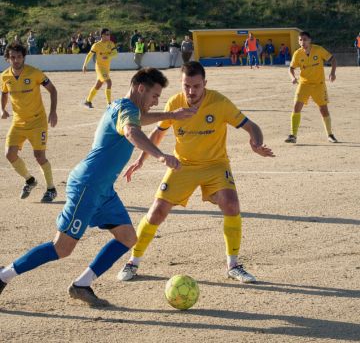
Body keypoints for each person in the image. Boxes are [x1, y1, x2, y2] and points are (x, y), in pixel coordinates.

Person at [0, 68, 197, 305]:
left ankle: (81, 284)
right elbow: (132, 130)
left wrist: (172, 115)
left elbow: (138, 120)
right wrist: (159, 155)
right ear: (141, 88)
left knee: (127, 237)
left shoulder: (123, 106)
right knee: (62, 248)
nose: (156, 102)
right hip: (88, 185)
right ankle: (4, 275)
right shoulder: (127, 111)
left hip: (103, 189)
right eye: (155, 96)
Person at [118, 61, 274, 284]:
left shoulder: (219, 102)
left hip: (216, 165)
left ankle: (233, 265)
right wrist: (141, 159)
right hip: (183, 166)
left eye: (196, 87)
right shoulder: (175, 103)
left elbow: (252, 126)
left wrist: (256, 143)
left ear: (205, 84)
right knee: (157, 212)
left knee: (231, 204)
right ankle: (133, 262)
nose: (191, 92)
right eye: (186, 86)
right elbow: (158, 133)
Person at [0, 43, 58, 202]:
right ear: (7, 59)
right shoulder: (4, 76)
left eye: (19, 57)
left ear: (23, 57)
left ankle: (51, 188)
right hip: (18, 122)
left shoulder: (34, 73)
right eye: (13, 57)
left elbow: (53, 90)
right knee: (9, 154)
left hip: (37, 121)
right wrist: (2, 109)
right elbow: (4, 93)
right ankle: (30, 180)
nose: (16, 60)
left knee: (39, 156)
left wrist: (53, 112)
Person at [285, 31, 338, 144]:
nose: (302, 42)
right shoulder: (297, 53)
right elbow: (290, 68)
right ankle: (293, 135)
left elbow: (333, 59)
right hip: (304, 84)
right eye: (300, 40)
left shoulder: (318, 50)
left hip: (319, 85)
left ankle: (330, 135)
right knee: (296, 107)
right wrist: (292, 78)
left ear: (310, 40)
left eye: (305, 39)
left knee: (323, 110)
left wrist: (332, 73)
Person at [82, 28, 118, 108]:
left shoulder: (111, 43)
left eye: (109, 34)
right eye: (107, 34)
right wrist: (85, 64)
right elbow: (89, 55)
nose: (109, 36)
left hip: (106, 68)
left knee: (98, 85)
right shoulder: (96, 45)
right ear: (102, 35)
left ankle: (88, 101)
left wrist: (108, 56)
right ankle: (109, 104)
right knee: (109, 82)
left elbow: (115, 53)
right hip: (99, 67)